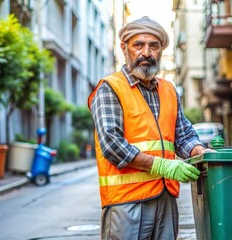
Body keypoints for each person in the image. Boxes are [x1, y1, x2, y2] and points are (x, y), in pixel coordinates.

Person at [88, 16, 208, 239]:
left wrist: (200, 152)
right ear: (125, 49)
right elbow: (112, 145)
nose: (146, 52)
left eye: (154, 45)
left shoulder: (169, 90)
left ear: (161, 51)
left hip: (165, 196)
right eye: (138, 45)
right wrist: (164, 167)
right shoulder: (110, 88)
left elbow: (183, 134)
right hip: (127, 201)